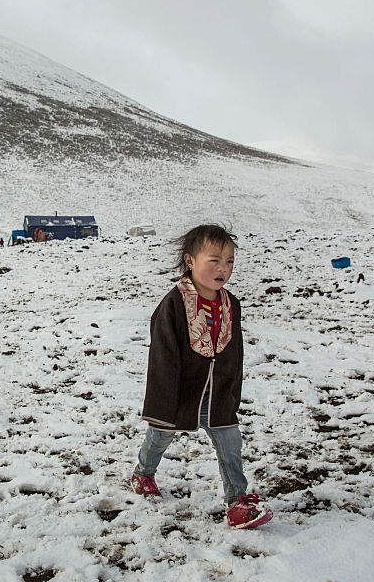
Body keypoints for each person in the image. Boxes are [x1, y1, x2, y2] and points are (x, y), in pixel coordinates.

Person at [129, 224, 273, 530]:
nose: (223, 269)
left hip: (218, 393)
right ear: (190, 261)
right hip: (180, 392)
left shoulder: (230, 304)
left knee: (230, 443)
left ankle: (237, 502)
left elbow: (234, 352)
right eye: (214, 260)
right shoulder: (174, 304)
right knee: (159, 437)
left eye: (230, 261)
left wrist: (232, 389)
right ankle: (143, 474)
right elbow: (163, 355)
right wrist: (165, 398)